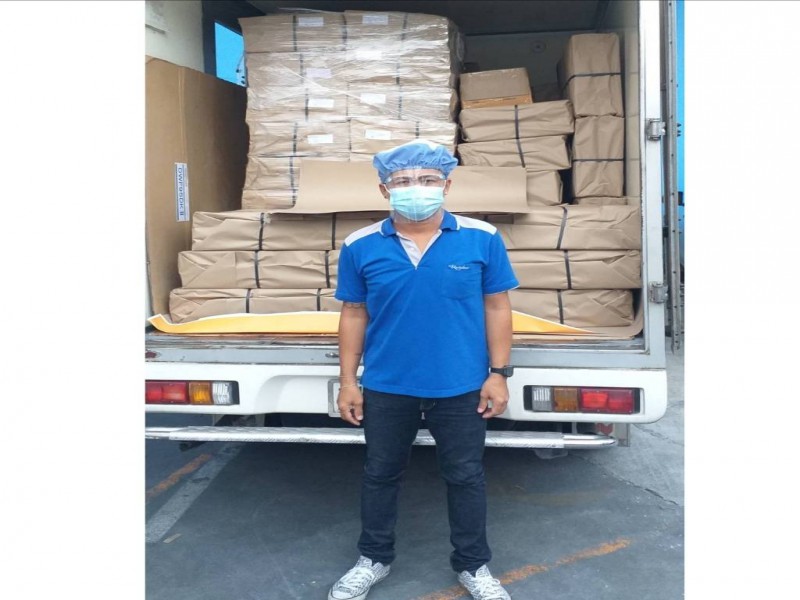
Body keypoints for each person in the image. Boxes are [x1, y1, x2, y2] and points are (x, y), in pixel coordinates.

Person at [329, 140, 518, 600]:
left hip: (461, 385)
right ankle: (373, 558)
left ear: (446, 185)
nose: (417, 188)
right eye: (403, 181)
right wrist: (349, 382)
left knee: (465, 476)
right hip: (387, 384)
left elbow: (497, 306)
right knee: (380, 473)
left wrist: (498, 373)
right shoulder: (359, 245)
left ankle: (473, 565)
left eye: (428, 179)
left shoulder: (482, 237)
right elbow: (353, 313)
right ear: (384, 190)